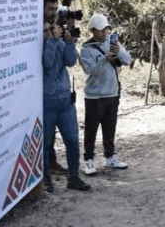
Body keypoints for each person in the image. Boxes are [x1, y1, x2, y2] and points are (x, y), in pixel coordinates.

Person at [80, 13, 132, 175]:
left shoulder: (112, 42)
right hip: (94, 96)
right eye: (101, 30)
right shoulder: (85, 49)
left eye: (106, 29)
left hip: (112, 93)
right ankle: (88, 160)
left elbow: (127, 60)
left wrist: (118, 53)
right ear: (92, 31)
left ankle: (110, 156)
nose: (104, 33)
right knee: (91, 129)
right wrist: (104, 59)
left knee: (110, 128)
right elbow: (90, 70)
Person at [42, 19, 91, 192]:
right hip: (46, 103)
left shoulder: (57, 42)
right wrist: (53, 41)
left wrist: (69, 43)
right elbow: (47, 64)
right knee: (45, 144)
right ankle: (45, 179)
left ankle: (73, 177)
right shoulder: (42, 47)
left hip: (65, 101)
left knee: (72, 140)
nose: (50, 33)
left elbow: (70, 62)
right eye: (46, 31)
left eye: (51, 30)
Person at [43, 0, 65, 174]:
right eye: (50, 8)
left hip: (55, 86)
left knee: (51, 130)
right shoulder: (40, 27)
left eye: (55, 9)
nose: (53, 12)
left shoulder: (55, 27)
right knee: (46, 131)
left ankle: (51, 162)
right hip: (41, 86)